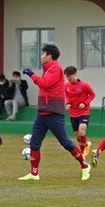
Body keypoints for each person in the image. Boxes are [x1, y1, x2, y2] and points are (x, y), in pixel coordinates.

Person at [19, 44, 91, 181]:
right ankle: (34, 173)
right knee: (34, 142)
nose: (41, 56)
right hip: (42, 112)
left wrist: (31, 74)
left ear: (49, 56)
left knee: (65, 143)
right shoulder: (48, 69)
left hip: (53, 112)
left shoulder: (55, 68)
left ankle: (84, 165)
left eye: (43, 54)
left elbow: (44, 83)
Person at [64, 66, 96, 156]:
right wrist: (67, 104)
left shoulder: (84, 85)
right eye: (67, 77)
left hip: (84, 112)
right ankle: (86, 144)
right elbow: (67, 96)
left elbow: (93, 95)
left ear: (74, 74)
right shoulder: (66, 86)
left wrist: (85, 103)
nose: (68, 78)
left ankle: (82, 153)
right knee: (77, 135)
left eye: (69, 76)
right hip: (73, 113)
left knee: (81, 131)